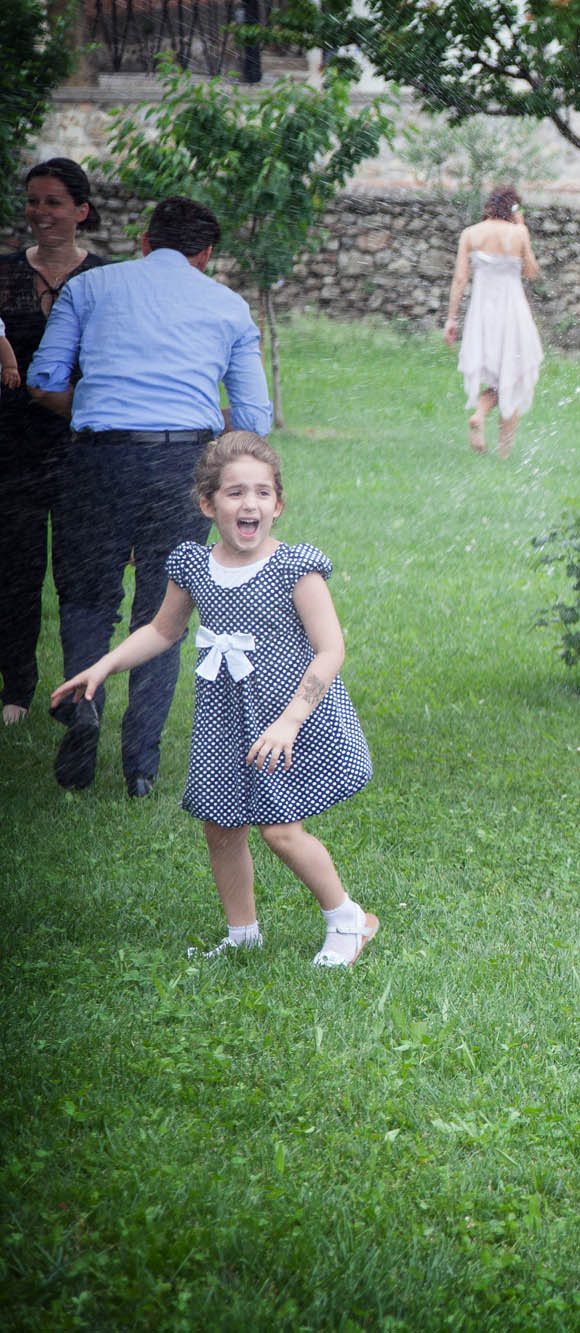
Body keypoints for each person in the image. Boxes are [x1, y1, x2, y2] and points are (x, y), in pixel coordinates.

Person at [51, 433, 377, 965]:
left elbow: (331, 650)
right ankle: (242, 934)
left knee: (280, 830)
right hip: (226, 717)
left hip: (290, 715)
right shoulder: (193, 567)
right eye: (234, 493)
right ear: (207, 504)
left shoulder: (297, 568)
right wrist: (104, 663)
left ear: (278, 504)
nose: (249, 504)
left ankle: (348, 919)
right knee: (221, 826)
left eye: (262, 493)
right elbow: (162, 630)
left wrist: (290, 721)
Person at [27, 194, 272, 797]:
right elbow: (253, 418)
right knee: (163, 612)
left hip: (97, 457)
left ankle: (81, 713)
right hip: (182, 464)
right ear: (206, 255)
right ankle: (140, 767)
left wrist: (98, 411)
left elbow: (43, 378)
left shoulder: (90, 288)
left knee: (86, 601)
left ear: (145, 241)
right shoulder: (230, 306)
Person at [0, 158, 109, 726]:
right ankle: (15, 688)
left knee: (78, 575)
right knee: (15, 572)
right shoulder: (3, 273)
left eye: (54, 203)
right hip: (10, 445)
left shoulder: (106, 279)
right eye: (34, 201)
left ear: (81, 212)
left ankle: (76, 694)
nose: (41, 213)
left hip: (80, 445)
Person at [444, 187, 544, 458]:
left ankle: (479, 413)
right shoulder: (518, 233)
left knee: (499, 380)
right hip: (512, 313)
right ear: (514, 209)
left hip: (482, 313)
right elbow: (532, 272)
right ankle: (503, 452)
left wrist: (451, 319)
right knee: (513, 375)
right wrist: (524, 232)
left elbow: (460, 279)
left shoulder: (470, 234)